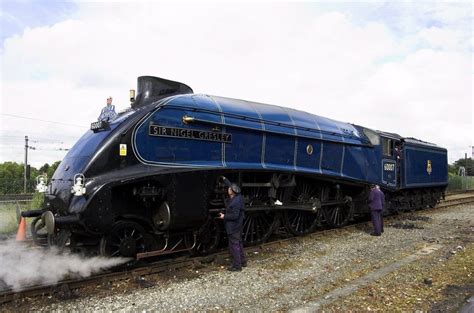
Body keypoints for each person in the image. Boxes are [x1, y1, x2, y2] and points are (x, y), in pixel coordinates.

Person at [218, 183, 247, 271]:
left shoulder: (235, 202)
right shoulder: (237, 198)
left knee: (234, 245)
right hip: (237, 225)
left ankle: (237, 266)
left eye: (229, 189)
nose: (228, 190)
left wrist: (224, 216)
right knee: (238, 243)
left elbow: (234, 215)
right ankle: (242, 261)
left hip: (234, 226)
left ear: (232, 192)